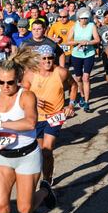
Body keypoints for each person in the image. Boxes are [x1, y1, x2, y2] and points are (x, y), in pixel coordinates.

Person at [0, 48, 49, 213]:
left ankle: (45, 191)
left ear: (18, 79)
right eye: (1, 82)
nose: (5, 87)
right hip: (2, 156)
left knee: (24, 210)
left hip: (27, 156)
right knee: (1, 209)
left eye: (10, 82)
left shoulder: (27, 96)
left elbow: (30, 123)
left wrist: (0, 123)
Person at [23, 45, 78, 194]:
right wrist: (33, 99)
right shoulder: (30, 74)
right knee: (41, 151)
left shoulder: (61, 72)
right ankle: (46, 174)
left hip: (55, 116)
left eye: (50, 58)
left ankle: (46, 180)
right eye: (44, 58)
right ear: (38, 60)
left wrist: (71, 105)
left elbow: (74, 86)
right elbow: (23, 93)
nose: (47, 61)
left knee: (47, 149)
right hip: (37, 117)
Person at [66, 9, 100, 112]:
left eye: (86, 18)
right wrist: (78, 42)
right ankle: (82, 94)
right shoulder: (75, 26)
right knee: (79, 78)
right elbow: (68, 41)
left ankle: (87, 102)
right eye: (82, 18)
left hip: (89, 54)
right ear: (78, 18)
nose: (84, 20)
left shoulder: (91, 25)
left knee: (86, 77)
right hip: (77, 54)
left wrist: (87, 43)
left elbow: (97, 39)